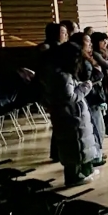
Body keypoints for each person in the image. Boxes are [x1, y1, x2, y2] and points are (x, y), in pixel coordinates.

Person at [47, 42, 99, 187]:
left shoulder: (61, 73)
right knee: (74, 146)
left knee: (80, 145)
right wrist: (87, 85)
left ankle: (83, 172)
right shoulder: (63, 76)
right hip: (70, 116)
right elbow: (70, 97)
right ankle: (73, 178)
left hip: (71, 115)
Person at [70, 32, 107, 167]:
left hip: (92, 97)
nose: (90, 44)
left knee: (97, 128)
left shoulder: (86, 58)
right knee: (96, 128)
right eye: (87, 41)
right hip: (89, 98)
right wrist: (98, 73)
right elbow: (88, 79)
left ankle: (97, 153)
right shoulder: (81, 61)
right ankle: (95, 156)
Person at [38, 23, 66, 162]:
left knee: (59, 123)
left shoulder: (55, 48)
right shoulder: (49, 49)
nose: (65, 35)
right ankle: (58, 152)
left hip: (52, 91)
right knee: (61, 122)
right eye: (63, 32)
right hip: (53, 91)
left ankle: (57, 153)